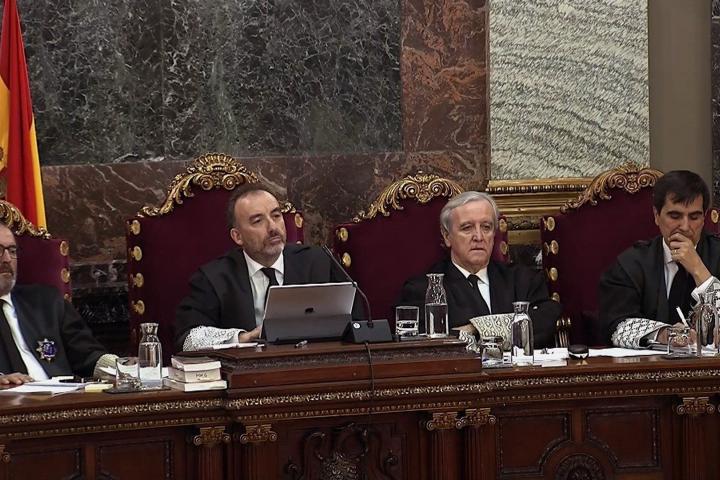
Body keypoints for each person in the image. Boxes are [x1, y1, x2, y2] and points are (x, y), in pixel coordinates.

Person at [175, 184, 354, 351]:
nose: (273, 227)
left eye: (276, 216)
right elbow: (188, 339)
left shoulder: (319, 263)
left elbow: (356, 323)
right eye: (258, 221)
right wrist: (243, 338)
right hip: (248, 372)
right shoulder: (214, 278)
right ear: (237, 236)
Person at [398, 191, 561, 347]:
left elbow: (545, 323)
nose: (478, 237)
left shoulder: (522, 280)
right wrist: (508, 327)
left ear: (494, 234)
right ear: (447, 236)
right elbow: (427, 345)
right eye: (467, 228)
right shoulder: (425, 290)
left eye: (486, 227)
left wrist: (475, 328)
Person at [599, 170, 720, 348]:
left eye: (694, 217)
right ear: (656, 215)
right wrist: (664, 334)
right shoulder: (631, 263)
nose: (685, 226)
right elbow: (616, 326)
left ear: (704, 218)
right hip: (650, 364)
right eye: (675, 216)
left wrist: (699, 271)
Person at [0, 224, 115, 383]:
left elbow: (87, 355)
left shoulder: (47, 302)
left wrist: (123, 369)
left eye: (12, 251)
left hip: (63, 396)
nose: (7, 259)